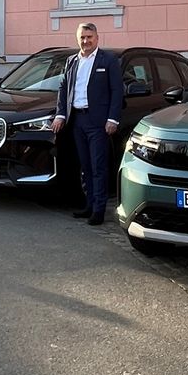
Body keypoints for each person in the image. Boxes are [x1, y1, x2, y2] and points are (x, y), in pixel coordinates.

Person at [50, 22, 122, 226]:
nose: (85, 41)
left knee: (98, 166)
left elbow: (117, 90)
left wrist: (112, 119)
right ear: (77, 38)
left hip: (98, 122)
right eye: (82, 37)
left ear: (97, 38)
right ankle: (89, 204)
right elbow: (63, 88)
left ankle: (99, 210)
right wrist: (60, 114)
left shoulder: (108, 60)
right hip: (77, 120)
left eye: (89, 37)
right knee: (85, 166)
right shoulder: (72, 61)